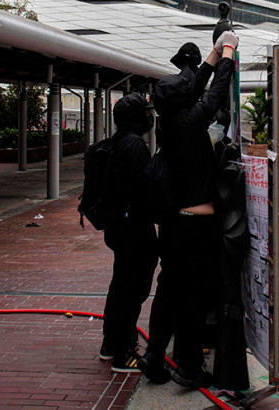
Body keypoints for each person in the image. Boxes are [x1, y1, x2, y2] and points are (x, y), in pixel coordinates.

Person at [138, 30, 239, 388]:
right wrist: (227, 52)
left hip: (171, 223)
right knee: (194, 293)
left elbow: (195, 87)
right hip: (195, 221)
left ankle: (153, 355)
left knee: (168, 287)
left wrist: (213, 51)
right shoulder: (191, 121)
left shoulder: (169, 120)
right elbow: (214, 91)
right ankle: (190, 366)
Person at [99, 92, 158, 373]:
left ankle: (111, 345)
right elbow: (147, 187)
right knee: (133, 290)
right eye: (145, 113)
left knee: (120, 285)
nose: (150, 117)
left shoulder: (117, 142)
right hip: (134, 229)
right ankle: (124, 353)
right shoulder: (134, 146)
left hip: (118, 227)